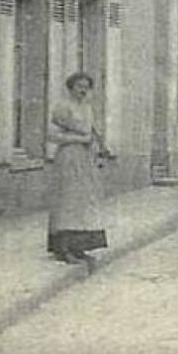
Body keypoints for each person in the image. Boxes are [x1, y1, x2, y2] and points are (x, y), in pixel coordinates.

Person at [47, 72, 112, 264]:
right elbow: (51, 136)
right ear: (70, 87)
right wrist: (79, 139)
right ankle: (63, 248)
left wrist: (101, 147)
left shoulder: (87, 108)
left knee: (84, 201)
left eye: (86, 87)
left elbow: (93, 132)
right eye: (79, 86)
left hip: (86, 158)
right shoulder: (62, 107)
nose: (82, 90)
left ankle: (79, 247)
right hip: (68, 157)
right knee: (68, 200)